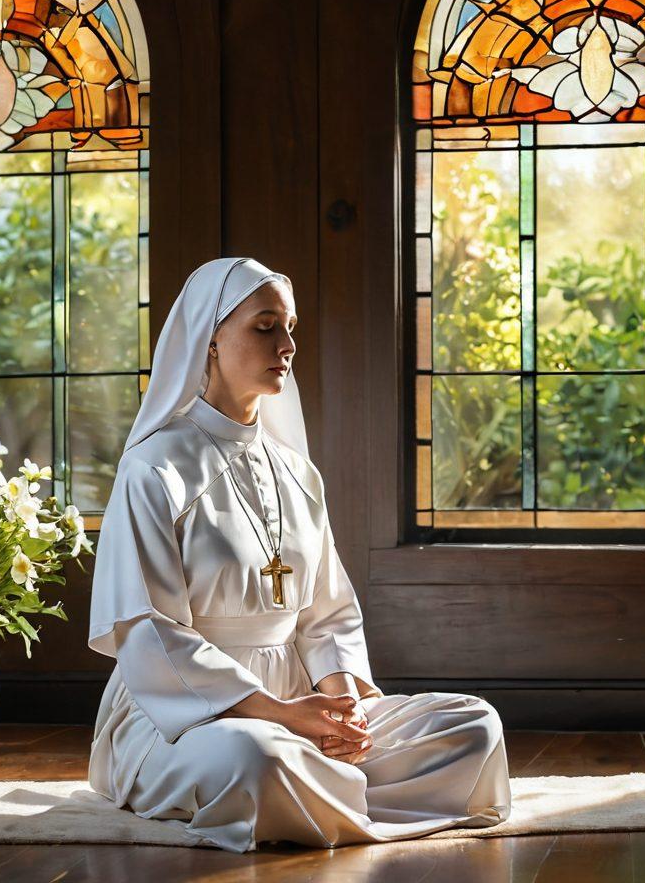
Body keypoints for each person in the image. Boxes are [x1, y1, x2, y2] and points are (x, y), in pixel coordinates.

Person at [87, 257, 512, 852]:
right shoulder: (152, 469)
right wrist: (279, 715)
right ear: (210, 339)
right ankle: (333, 787)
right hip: (186, 714)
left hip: (304, 708)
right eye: (266, 326)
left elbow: (326, 614)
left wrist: (340, 708)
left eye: (291, 328)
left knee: (472, 724)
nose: (287, 344)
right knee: (255, 757)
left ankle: (324, 785)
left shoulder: (296, 472)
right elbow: (150, 635)